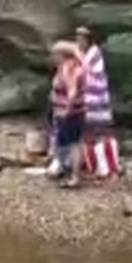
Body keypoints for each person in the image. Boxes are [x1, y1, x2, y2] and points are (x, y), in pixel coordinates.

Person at [47, 41, 86, 188]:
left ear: (62, 55)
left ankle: (75, 178)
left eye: (55, 54)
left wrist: (66, 111)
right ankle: (61, 168)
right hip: (77, 111)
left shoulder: (68, 69)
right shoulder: (77, 65)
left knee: (74, 144)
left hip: (70, 113)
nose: (53, 57)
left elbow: (72, 91)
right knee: (63, 141)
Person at [75, 26, 113, 136]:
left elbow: (85, 68)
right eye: (77, 39)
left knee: (98, 127)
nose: (79, 42)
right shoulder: (81, 52)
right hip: (85, 95)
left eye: (82, 40)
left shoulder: (94, 51)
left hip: (96, 95)